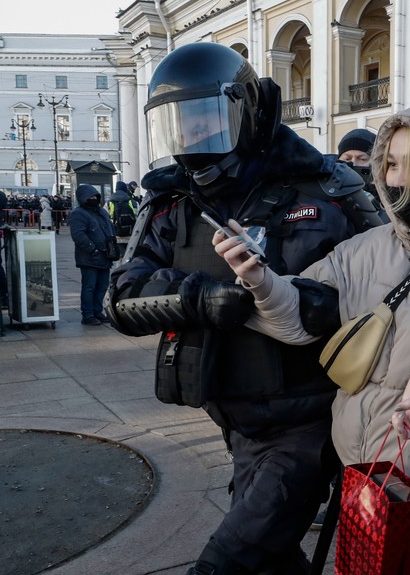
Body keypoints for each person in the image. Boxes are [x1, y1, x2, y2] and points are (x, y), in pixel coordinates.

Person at [214, 103, 410, 574]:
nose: (401, 178)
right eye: (392, 163)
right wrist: (260, 280)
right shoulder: (362, 249)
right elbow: (303, 313)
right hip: (360, 466)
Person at [104, 42, 383, 575]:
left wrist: (303, 300)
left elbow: (390, 288)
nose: (190, 140)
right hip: (234, 416)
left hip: (312, 417)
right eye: (177, 125)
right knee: (272, 557)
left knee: (225, 563)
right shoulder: (172, 203)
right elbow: (119, 301)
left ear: (247, 113)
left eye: (203, 120)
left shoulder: (329, 186)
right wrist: (200, 298)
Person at [69, 185, 115, 325]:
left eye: (95, 196)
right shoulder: (79, 213)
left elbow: (109, 229)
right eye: (90, 197)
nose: (94, 199)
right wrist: (92, 249)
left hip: (105, 255)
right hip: (90, 257)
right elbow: (78, 235)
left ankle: (97, 311)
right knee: (90, 286)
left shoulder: (101, 211)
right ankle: (88, 314)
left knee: (102, 286)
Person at [106, 181, 139, 255]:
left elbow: (105, 220)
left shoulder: (109, 203)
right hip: (131, 236)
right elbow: (138, 218)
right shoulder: (133, 202)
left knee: (120, 259)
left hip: (116, 236)